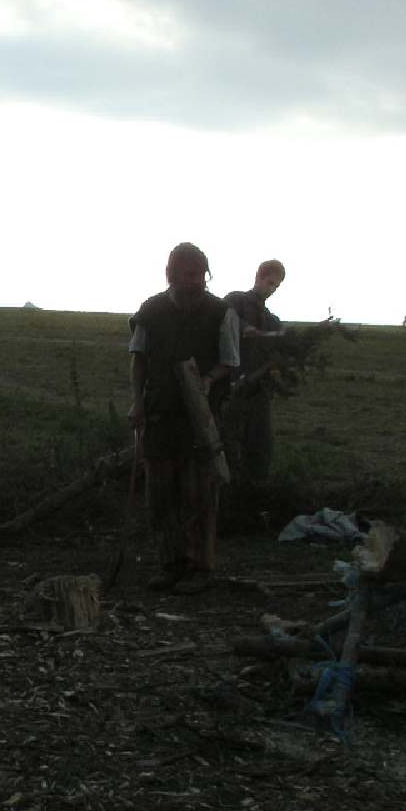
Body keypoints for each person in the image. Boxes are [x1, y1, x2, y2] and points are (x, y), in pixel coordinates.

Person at [128, 242, 241, 594]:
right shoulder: (151, 310)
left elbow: (230, 361)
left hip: (200, 418)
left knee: (199, 495)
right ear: (170, 274)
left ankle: (199, 567)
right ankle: (170, 563)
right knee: (160, 496)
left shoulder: (221, 312)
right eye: (187, 275)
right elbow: (138, 359)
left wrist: (207, 380)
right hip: (159, 414)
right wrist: (137, 403)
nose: (194, 282)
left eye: (199, 275)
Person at [222, 260, 286, 483]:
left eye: (276, 286)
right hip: (231, 386)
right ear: (258, 276)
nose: (272, 289)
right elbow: (223, 319)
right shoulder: (236, 300)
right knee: (228, 442)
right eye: (270, 283)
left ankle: (255, 490)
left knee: (260, 444)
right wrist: (243, 328)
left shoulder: (271, 319)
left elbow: (282, 343)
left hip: (259, 390)